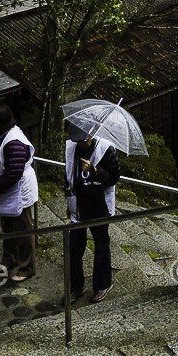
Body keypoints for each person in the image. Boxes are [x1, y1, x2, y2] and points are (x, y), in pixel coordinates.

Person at [64, 126, 121, 302]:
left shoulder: (106, 148)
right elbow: (69, 174)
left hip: (99, 205)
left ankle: (103, 284)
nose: (82, 143)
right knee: (74, 248)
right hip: (78, 205)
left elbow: (114, 177)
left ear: (92, 134)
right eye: (78, 140)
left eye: (85, 139)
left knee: (101, 246)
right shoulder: (71, 148)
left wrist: (95, 171)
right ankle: (75, 287)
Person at [0, 102, 38, 281]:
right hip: (6, 190)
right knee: (7, 226)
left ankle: (27, 267)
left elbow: (13, 173)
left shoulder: (14, 142)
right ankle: (10, 259)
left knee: (22, 229)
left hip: (18, 190)